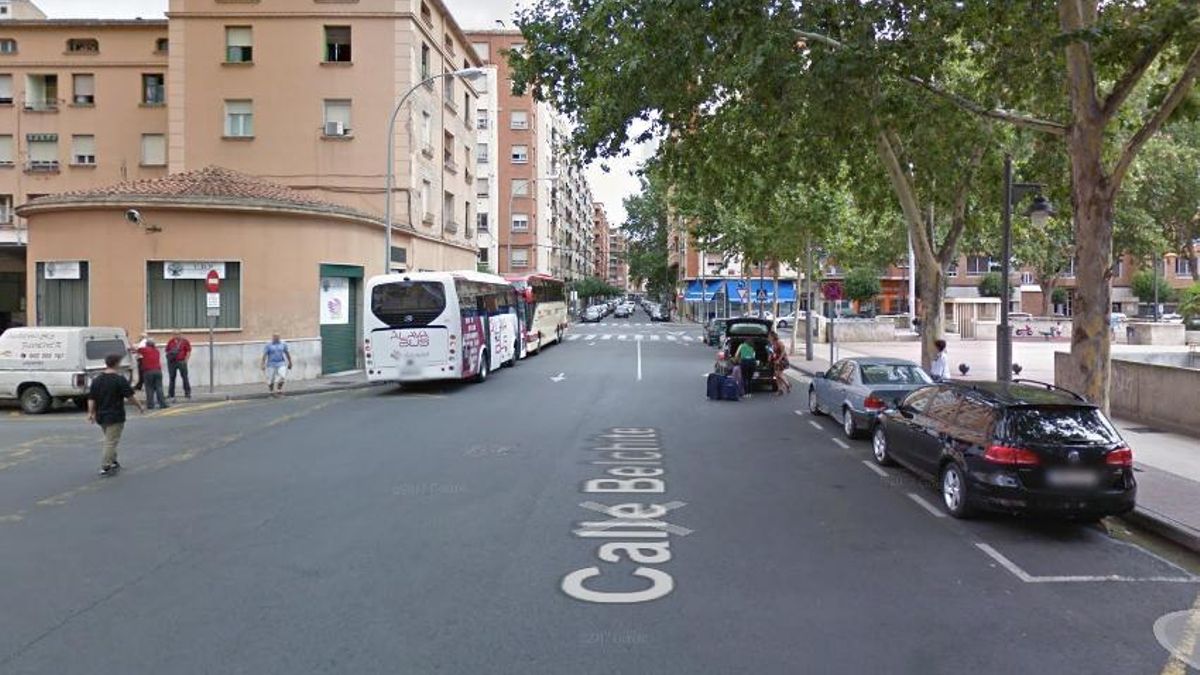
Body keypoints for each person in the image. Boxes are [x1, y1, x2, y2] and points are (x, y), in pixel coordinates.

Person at [87, 353, 145, 475]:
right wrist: (139, 406)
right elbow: (130, 397)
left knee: (110, 438)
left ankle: (113, 461)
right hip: (115, 415)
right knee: (111, 441)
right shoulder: (119, 380)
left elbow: (91, 398)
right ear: (117, 364)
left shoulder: (97, 380)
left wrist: (91, 413)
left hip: (101, 415)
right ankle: (105, 465)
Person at [138, 338, 169, 409]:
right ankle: (162, 404)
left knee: (149, 388)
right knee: (159, 388)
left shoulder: (144, 350)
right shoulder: (157, 351)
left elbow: (137, 349)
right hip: (158, 371)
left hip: (148, 371)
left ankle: (150, 405)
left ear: (146, 344)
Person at [166, 330, 192, 400]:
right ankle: (171, 394)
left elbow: (188, 351)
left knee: (184, 377)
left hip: (181, 361)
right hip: (172, 362)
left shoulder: (185, 341)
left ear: (181, 334)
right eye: (174, 334)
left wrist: (186, 360)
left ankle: (187, 392)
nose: (176, 335)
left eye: (177, 334)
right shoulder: (170, 342)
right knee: (172, 378)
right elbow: (167, 351)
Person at [768, 330, 792, 396]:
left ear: (773, 336)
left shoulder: (779, 342)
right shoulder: (772, 344)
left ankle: (787, 384)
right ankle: (780, 390)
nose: (768, 337)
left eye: (769, 336)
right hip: (776, 360)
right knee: (776, 375)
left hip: (782, 360)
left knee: (779, 374)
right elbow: (773, 352)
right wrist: (770, 357)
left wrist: (779, 359)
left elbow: (783, 352)